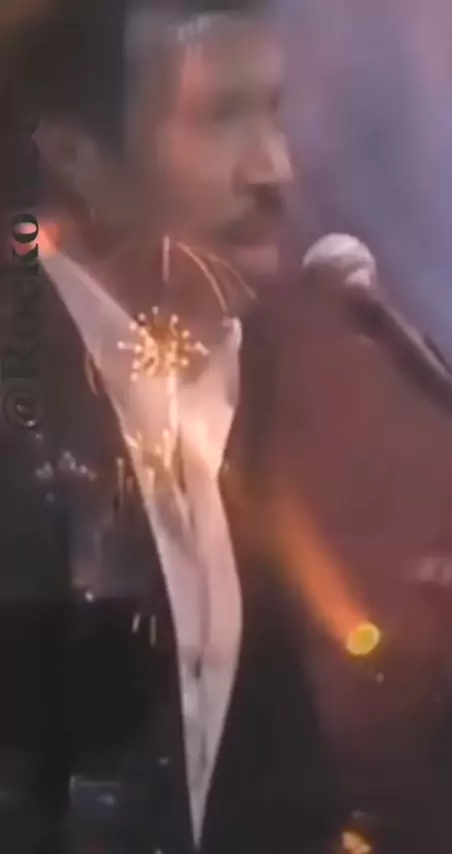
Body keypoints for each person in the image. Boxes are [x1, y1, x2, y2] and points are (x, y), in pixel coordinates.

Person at [1, 1, 344, 852]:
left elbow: (249, 749)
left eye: (272, 112)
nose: (274, 168)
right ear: (77, 155)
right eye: (221, 118)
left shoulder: (236, 367)